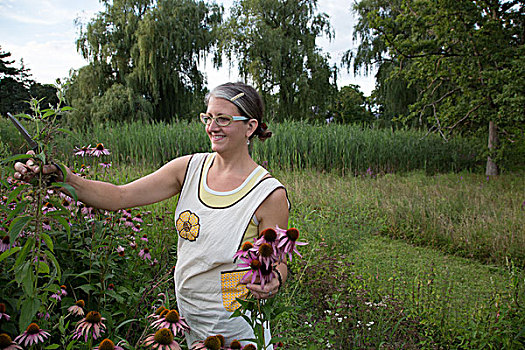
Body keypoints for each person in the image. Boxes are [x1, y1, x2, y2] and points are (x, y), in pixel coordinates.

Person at [13, 82, 289, 348]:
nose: (212, 127)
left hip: (235, 322)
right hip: (188, 316)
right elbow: (120, 196)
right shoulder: (188, 168)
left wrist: (274, 278)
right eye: (208, 117)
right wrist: (63, 178)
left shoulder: (267, 194)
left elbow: (278, 263)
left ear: (250, 127)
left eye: (224, 120)